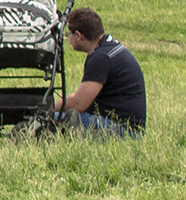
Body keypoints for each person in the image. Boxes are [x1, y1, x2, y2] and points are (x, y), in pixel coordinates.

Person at [54, 7, 146, 135]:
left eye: (69, 34)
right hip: (127, 126)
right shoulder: (108, 48)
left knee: (51, 119)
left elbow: (79, 103)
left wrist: (47, 109)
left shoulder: (101, 57)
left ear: (78, 36)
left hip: (123, 130)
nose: (68, 38)